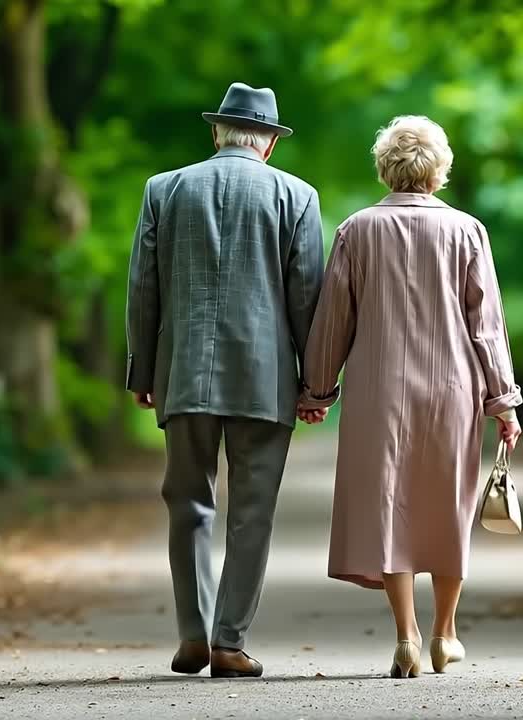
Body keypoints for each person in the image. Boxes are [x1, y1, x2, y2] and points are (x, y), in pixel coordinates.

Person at [298, 115, 523, 678]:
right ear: (439, 170)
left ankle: (407, 637)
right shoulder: (468, 231)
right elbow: (486, 325)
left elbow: (333, 322)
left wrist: (317, 389)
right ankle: (447, 634)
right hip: (454, 390)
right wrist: (504, 400)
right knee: (448, 506)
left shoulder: (356, 230)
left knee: (389, 507)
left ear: (386, 168)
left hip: (379, 392)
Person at [125, 82, 326, 679]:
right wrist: (315, 384)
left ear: (217, 132)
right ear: (268, 142)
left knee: (188, 504)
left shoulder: (165, 189)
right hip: (265, 382)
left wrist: (142, 371)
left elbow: (143, 287)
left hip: (184, 372)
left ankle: (192, 634)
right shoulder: (297, 196)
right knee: (252, 512)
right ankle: (228, 640)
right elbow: (307, 299)